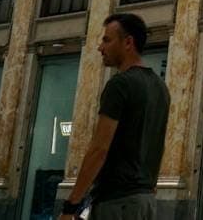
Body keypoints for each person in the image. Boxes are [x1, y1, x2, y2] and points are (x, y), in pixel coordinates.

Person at [61, 12, 169, 220]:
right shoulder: (160, 87)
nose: (100, 47)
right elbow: (158, 144)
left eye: (107, 40)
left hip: (116, 203)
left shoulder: (119, 85)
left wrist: (70, 205)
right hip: (145, 202)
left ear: (128, 42)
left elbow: (99, 149)